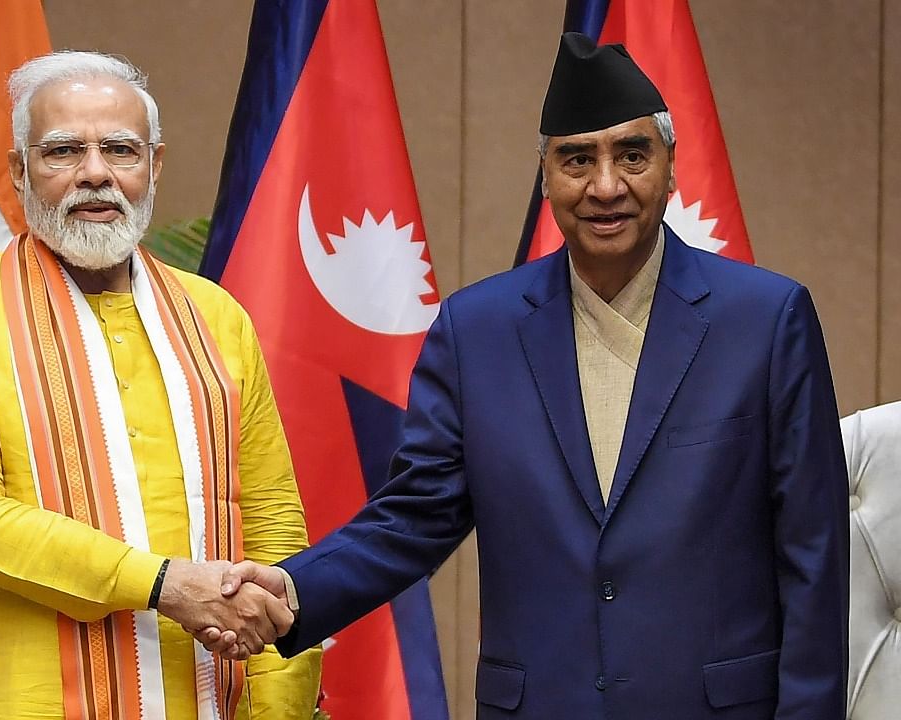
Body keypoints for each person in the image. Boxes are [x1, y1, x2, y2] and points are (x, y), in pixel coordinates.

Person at [205, 32, 849, 719]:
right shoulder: (477, 331)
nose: (606, 185)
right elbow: (414, 518)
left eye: (632, 155)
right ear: (546, 176)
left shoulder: (765, 319)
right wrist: (290, 592)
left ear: (670, 169)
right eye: (578, 160)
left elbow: (814, 552)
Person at [0, 50, 320, 719]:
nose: (95, 173)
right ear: (18, 171)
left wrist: (279, 709)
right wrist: (164, 585)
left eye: (120, 149)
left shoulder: (215, 317)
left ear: (154, 166)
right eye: (63, 151)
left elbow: (271, 527)